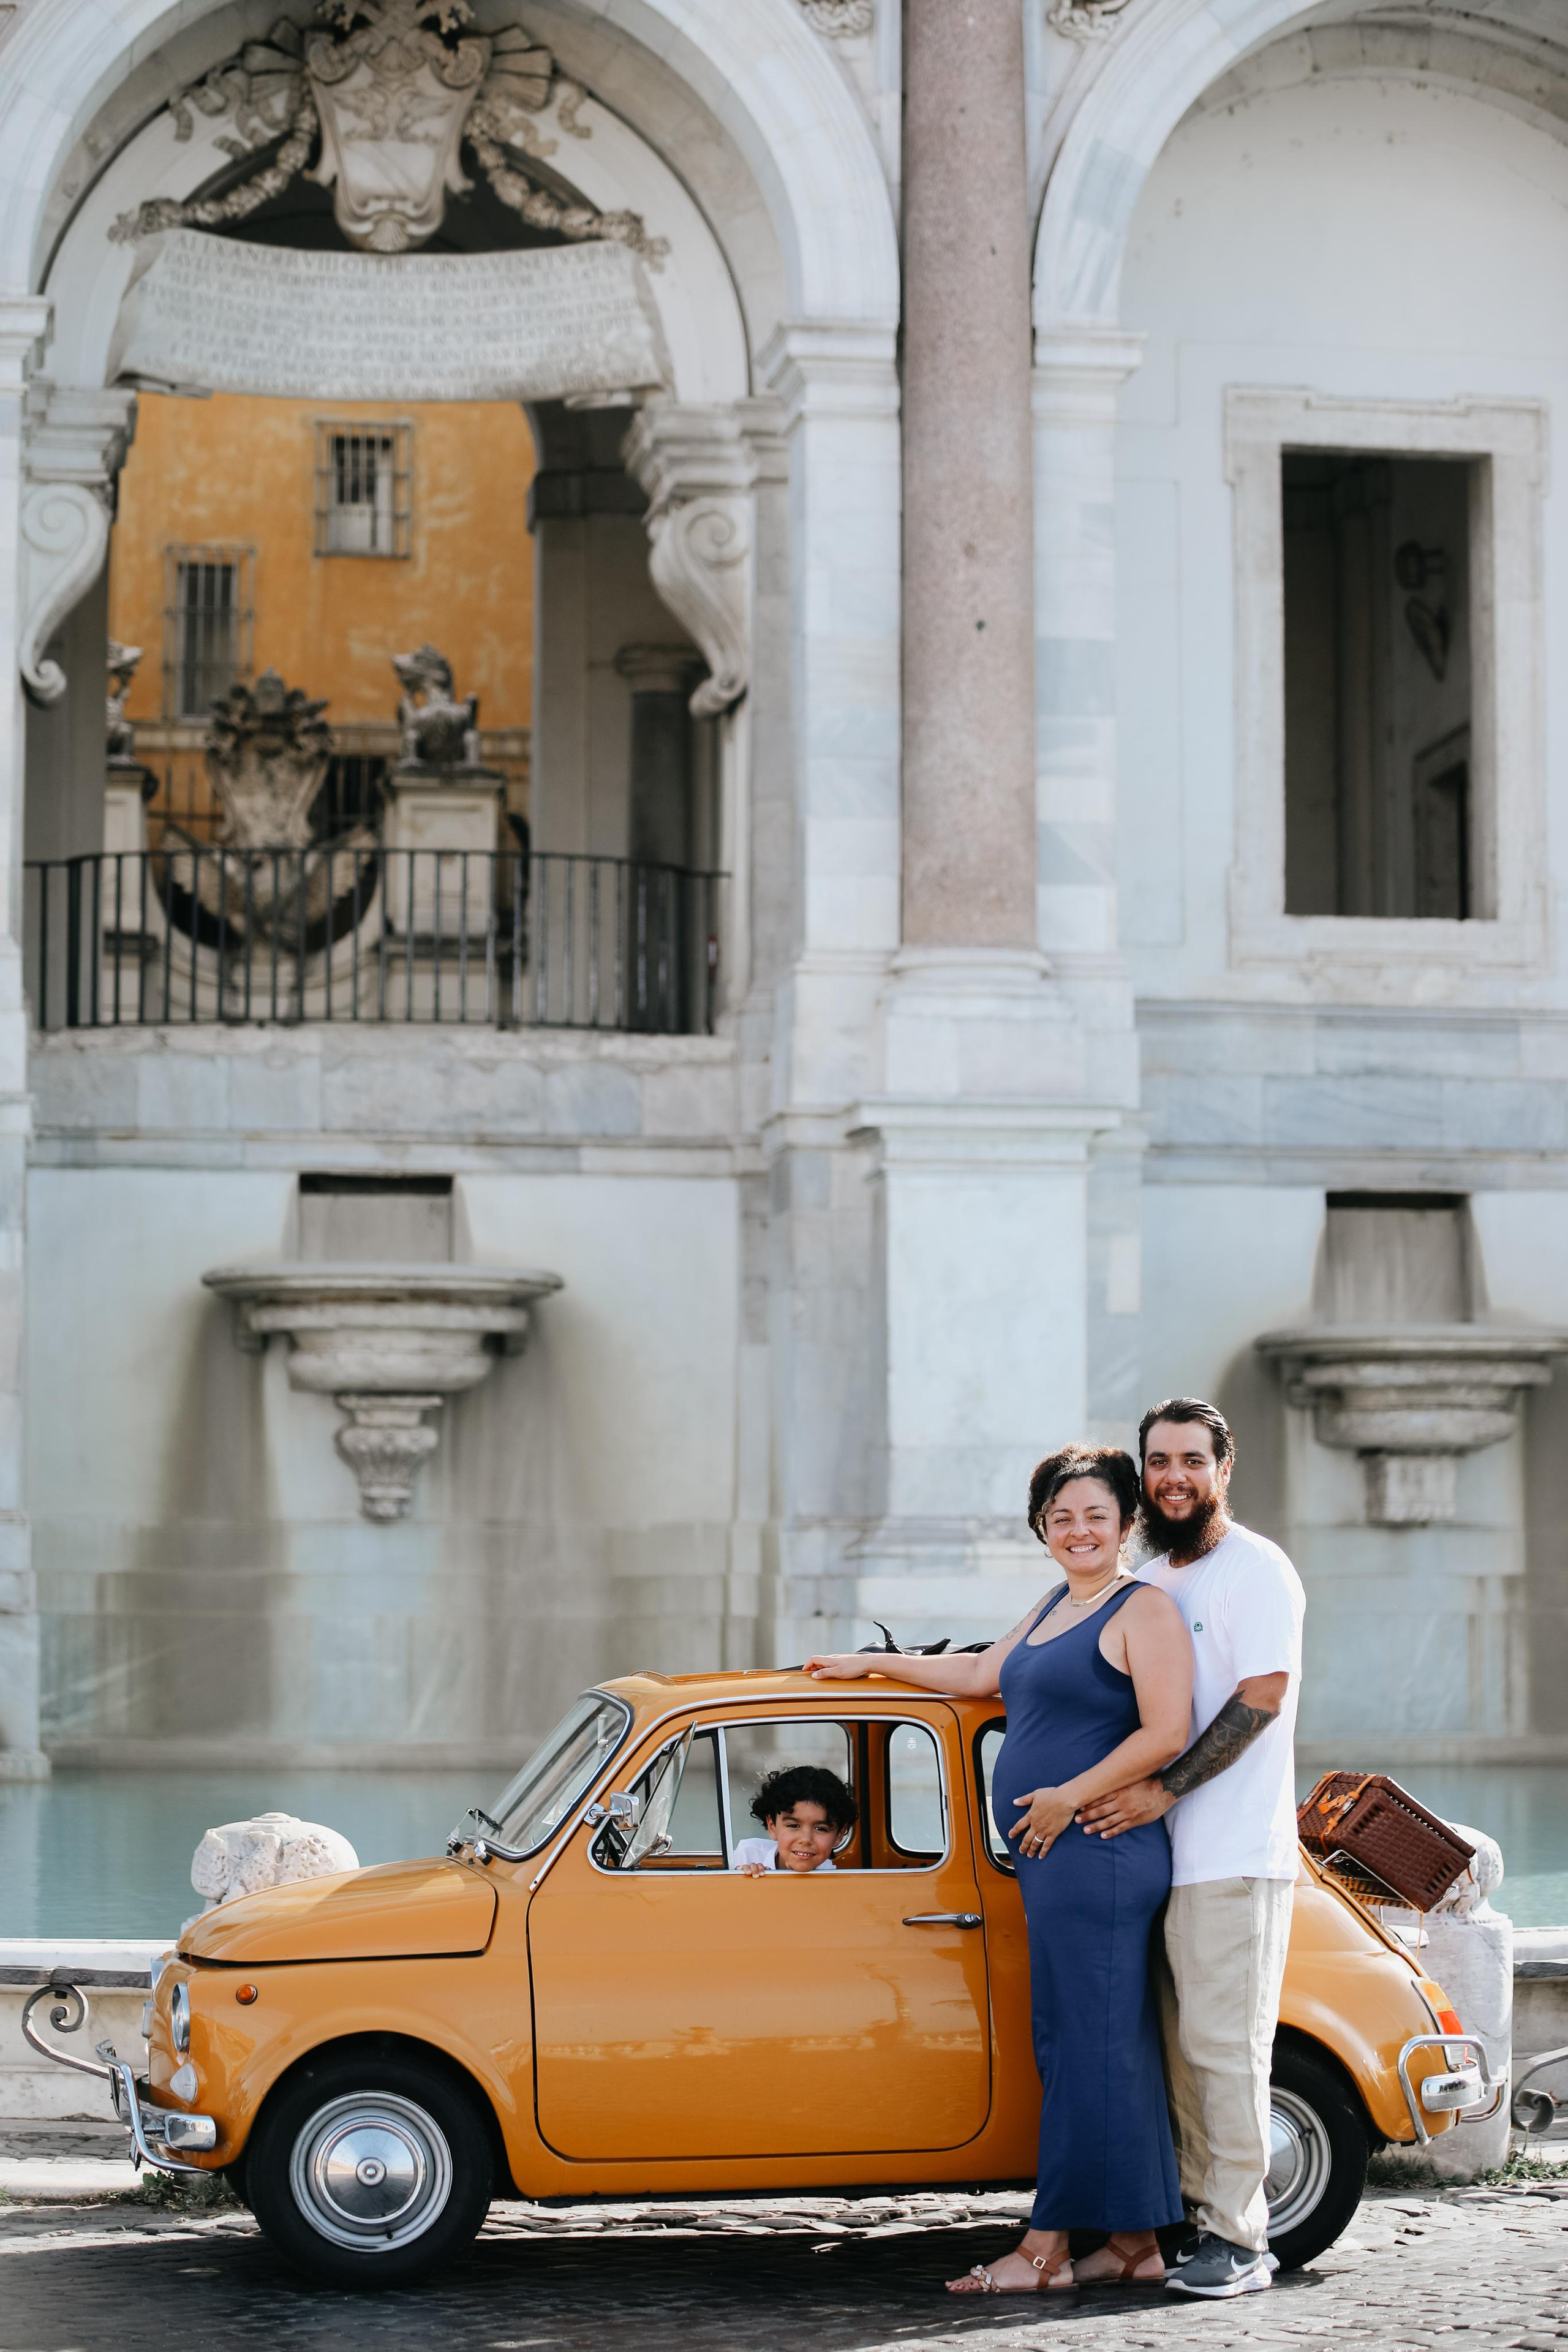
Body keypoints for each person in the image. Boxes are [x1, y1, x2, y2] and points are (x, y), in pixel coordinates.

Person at [805, 1446, 1193, 2294]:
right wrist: (875, 1664)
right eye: (1061, 1518)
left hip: (1102, 1853)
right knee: (1085, 2046)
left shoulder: (1144, 1611)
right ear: (1042, 1532)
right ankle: (1134, 2243)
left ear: (1127, 1521)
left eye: (1095, 1514)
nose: (1078, 1530)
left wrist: (1065, 1798)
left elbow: (1167, 1733)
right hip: (1058, 1860)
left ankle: (1046, 2249)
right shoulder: (1057, 1603)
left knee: (1083, 2048)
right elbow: (982, 1673)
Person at [1076, 1398, 1305, 2302]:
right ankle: (1198, 2226)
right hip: (1159, 1860)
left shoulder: (1255, 1569)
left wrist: (1162, 1791)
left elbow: (1260, 1697)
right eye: (1159, 1462)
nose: (1174, 1477)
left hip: (1234, 1854)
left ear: (1222, 1468)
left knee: (1226, 2049)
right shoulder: (1157, 1580)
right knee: (1180, 2054)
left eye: (1190, 1461)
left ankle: (1243, 2242)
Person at [731, 1765, 856, 1875]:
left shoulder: (834, 1882)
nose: (806, 1840)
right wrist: (744, 1879)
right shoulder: (747, 1855)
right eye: (793, 1826)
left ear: (839, 1835)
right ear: (772, 1826)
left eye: (820, 1829)